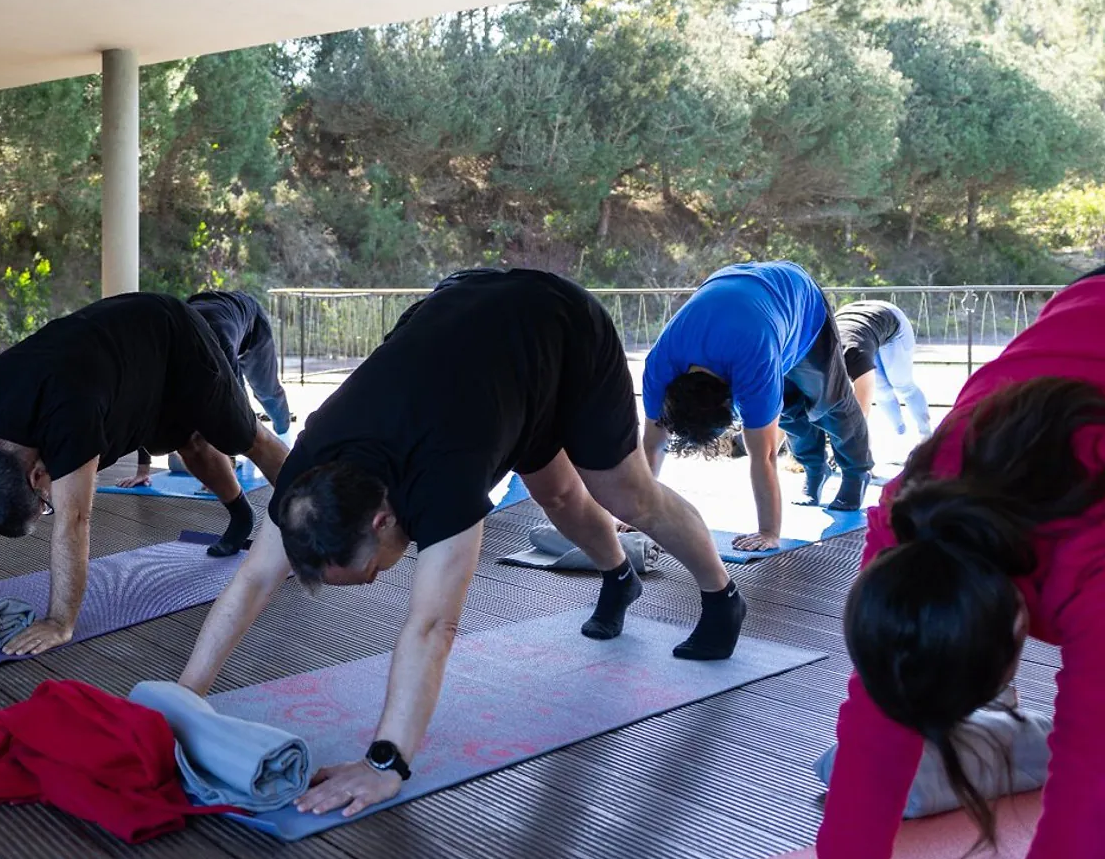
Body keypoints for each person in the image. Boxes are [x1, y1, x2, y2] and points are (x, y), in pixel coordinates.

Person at [176, 268, 746, 818]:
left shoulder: (444, 482)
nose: (377, 580)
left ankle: (723, 596)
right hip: (476, 365)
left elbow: (432, 626)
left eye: (371, 572)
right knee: (559, 497)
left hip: (556, 329)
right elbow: (252, 579)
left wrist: (386, 762)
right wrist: (184, 698)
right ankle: (619, 579)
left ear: (380, 521)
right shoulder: (306, 484)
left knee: (625, 496)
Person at [819, 270, 1105, 859]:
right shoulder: (909, 522)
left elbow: (1089, 777)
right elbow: (876, 723)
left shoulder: (1090, 563)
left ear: (1016, 631)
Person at [0, 292, 293, 654]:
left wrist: (59, 622)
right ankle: (242, 515)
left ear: (37, 477)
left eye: (44, 503)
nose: (49, 502)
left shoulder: (69, 419)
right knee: (190, 443)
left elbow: (74, 520)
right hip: (124, 367)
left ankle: (306, 521)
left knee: (245, 437)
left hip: (175, 337)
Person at [641, 261, 874, 552]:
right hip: (749, 303)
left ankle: (856, 472)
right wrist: (641, 515)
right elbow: (652, 446)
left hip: (798, 303)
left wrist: (768, 532)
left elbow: (763, 457)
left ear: (731, 400)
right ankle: (815, 469)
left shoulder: (752, 365)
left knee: (829, 402)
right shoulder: (659, 369)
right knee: (787, 409)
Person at [116, 289, 292, 487]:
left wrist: (225, 472)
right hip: (203, 310)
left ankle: (285, 430)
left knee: (266, 392)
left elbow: (236, 411)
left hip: (250, 323)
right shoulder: (159, 358)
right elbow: (148, 410)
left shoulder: (217, 348)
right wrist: (143, 470)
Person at [833, 299, 933, 440]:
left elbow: (862, 408)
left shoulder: (854, 355)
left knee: (902, 384)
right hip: (859, 325)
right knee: (881, 389)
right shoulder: (827, 351)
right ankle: (900, 431)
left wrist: (852, 438)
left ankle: (927, 435)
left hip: (892, 322)